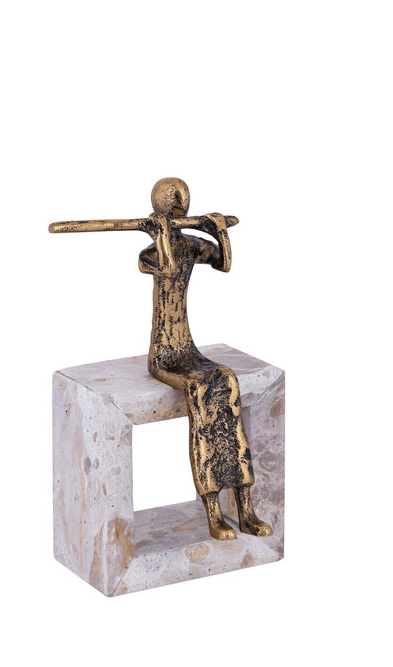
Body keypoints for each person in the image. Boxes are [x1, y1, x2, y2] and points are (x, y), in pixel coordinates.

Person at [138, 178, 273, 541]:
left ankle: (246, 509)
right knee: (199, 390)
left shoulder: (193, 245)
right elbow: (166, 268)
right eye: (173, 204)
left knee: (226, 379)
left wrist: (218, 231)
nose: (180, 208)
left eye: (182, 203)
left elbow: (224, 264)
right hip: (165, 353)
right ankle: (213, 512)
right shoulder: (149, 253)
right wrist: (160, 236)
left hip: (189, 348)